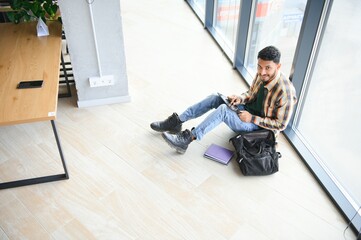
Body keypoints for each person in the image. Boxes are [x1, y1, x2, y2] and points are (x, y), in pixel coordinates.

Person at [150, 46, 297, 154]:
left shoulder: (286, 92)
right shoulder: (261, 74)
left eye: (267, 68)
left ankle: (187, 139)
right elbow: (251, 94)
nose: (261, 72)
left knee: (223, 111)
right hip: (244, 112)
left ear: (278, 66)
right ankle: (177, 122)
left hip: (256, 127)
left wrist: (252, 118)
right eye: (259, 66)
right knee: (215, 97)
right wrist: (240, 98)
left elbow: (280, 125)